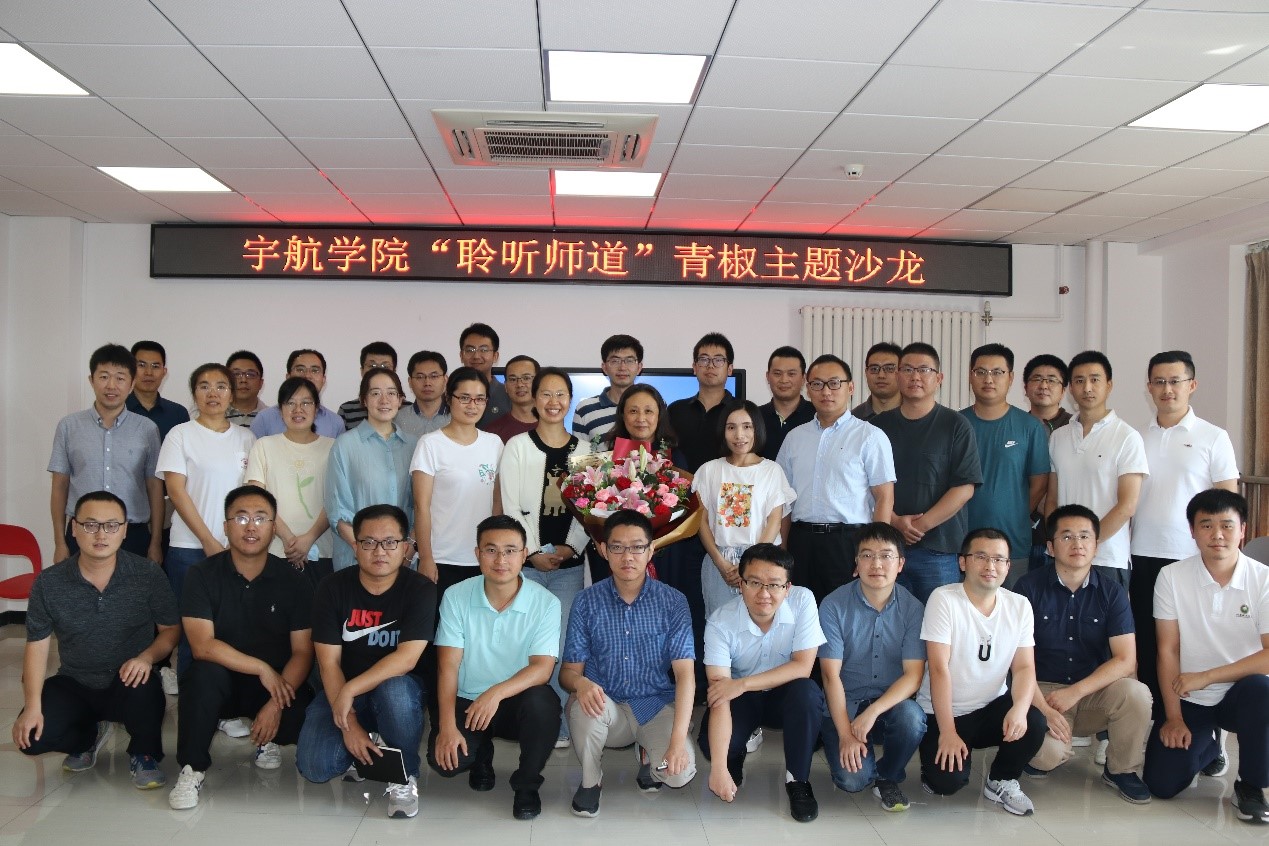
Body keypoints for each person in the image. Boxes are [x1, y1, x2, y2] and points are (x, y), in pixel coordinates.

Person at [13, 491, 179, 791]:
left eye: (112, 525)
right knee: (31, 738)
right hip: (75, 681)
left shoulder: (147, 575)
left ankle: (143, 753)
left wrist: (147, 658)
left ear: (124, 530)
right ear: (74, 528)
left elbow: (170, 630)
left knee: (145, 686)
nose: (101, 534)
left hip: (129, 681)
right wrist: (32, 706)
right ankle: (88, 738)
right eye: (90, 525)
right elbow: (36, 647)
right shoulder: (49, 583)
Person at [168, 485, 315, 811]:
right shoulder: (202, 574)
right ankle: (192, 768)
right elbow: (202, 646)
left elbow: (303, 652)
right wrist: (261, 668)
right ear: (226, 526)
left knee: (303, 713)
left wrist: (275, 704)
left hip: (274, 685)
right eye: (241, 517)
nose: (251, 527)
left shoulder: (293, 581)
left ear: (273, 528)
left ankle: (268, 739)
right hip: (222, 681)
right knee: (201, 677)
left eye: (261, 518)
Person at [297, 504, 435, 820]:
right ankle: (370, 743)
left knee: (396, 691)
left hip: (397, 690)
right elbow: (328, 663)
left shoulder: (420, 589)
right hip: (342, 688)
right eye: (369, 542)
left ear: (405, 547)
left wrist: (350, 690)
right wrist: (350, 723)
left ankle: (404, 775)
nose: (379, 551)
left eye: (390, 542)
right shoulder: (331, 588)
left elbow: (407, 659)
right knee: (315, 767)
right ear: (355, 546)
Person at [1144, 489, 1269, 824]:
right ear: (1192, 531)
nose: (1217, 535)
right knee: (1162, 784)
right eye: (1207, 525)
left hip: (1242, 694)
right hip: (1190, 697)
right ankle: (1210, 746)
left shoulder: (1263, 579)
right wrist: (1173, 717)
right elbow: (1167, 649)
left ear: (1243, 530)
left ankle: (1251, 785)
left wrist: (1208, 676)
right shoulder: (1171, 577)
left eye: (1227, 525)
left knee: (1263, 689)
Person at [560, 510, 697, 818]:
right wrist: (581, 683)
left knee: (678, 774)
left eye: (637, 547)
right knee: (584, 703)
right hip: (606, 708)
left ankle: (649, 754)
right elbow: (568, 673)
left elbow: (685, 676)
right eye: (617, 547)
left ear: (651, 550)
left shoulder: (673, 602)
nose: (627, 556)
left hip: (655, 706)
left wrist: (677, 742)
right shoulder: (586, 601)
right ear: (603, 550)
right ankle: (591, 781)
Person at [1014, 505, 1152, 804]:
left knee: (1136, 693)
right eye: (1066, 536)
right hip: (1040, 691)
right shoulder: (1027, 588)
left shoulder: (1112, 592)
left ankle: (1122, 770)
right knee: (1046, 757)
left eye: (1085, 536)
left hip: (1090, 693)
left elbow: (1126, 659)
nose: (1077, 544)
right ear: (1051, 547)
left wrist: (1075, 692)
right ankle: (1039, 748)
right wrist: (1045, 709)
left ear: (1096, 546)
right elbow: (1016, 661)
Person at [428, 515, 562, 821]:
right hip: (467, 700)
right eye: (491, 550)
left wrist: (495, 694)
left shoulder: (546, 603)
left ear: (524, 554)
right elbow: (447, 667)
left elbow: (542, 669)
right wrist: (447, 727)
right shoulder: (455, 596)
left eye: (510, 550)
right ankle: (480, 756)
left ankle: (526, 785)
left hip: (516, 702)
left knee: (543, 703)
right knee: (445, 763)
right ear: (477, 554)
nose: (501, 560)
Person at [1131, 351, 1238, 730]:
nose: (1167, 389)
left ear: (1192, 385)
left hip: (1193, 559)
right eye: (1159, 382)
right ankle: (1155, 724)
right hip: (1142, 555)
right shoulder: (1136, 437)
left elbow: (1229, 502)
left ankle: (1210, 732)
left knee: (1196, 646)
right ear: (1149, 387)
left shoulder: (1214, 437)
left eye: (1175, 381)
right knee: (1149, 645)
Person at [918, 529, 1047, 816]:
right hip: (945, 712)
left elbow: (1024, 667)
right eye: (981, 557)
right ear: (963, 562)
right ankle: (935, 766)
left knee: (1034, 720)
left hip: (991, 707)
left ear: (1008, 566)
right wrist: (948, 731)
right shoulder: (944, 599)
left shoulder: (1019, 605)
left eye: (999, 559)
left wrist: (1020, 709)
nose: (991, 566)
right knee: (946, 784)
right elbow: (938, 669)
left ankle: (1001, 779)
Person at [700, 543, 826, 822]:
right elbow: (720, 694)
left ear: (787, 588)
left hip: (785, 694)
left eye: (774, 585)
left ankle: (798, 781)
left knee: (807, 693)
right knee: (712, 746)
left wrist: (743, 683)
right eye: (754, 582)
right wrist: (718, 767)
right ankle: (735, 755)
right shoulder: (720, 622)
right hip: (741, 699)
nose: (764, 593)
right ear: (740, 583)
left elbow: (803, 667)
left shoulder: (803, 600)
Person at [499, 367, 591, 747]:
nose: (554, 402)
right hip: (528, 566)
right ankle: (526, 720)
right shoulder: (517, 446)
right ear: (534, 399)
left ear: (570, 400)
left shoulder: (586, 450)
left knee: (563, 643)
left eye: (561, 394)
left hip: (570, 568)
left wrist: (571, 547)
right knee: (528, 642)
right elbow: (512, 506)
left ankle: (561, 726)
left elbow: (591, 509)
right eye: (546, 394)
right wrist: (534, 551)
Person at [818, 522, 926, 813]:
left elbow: (914, 676)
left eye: (886, 556)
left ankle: (889, 775)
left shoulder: (914, 609)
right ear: (856, 563)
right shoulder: (833, 605)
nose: (876, 564)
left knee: (912, 717)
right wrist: (845, 734)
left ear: (900, 564)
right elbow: (830, 676)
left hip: (889, 705)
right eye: (867, 555)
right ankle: (847, 749)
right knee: (853, 781)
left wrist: (874, 711)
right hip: (845, 705)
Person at [157, 362, 256, 671]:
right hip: (190, 549)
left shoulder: (247, 438)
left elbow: (252, 496)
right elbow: (176, 492)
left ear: (231, 395)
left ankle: (227, 697)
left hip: (237, 550)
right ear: (194, 393)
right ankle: (192, 695)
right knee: (193, 633)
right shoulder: (180, 435)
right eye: (204, 386)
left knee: (233, 628)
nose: (213, 393)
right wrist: (208, 541)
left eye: (221, 386)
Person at [777, 354, 896, 603]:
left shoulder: (870, 436)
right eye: (817, 384)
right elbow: (783, 502)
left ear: (850, 387)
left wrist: (874, 552)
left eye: (834, 383)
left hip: (848, 542)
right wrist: (782, 549)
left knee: (847, 612)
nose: (826, 391)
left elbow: (884, 497)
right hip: (801, 542)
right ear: (808, 389)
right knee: (800, 612)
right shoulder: (794, 438)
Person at [873, 343, 982, 604]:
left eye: (924, 370)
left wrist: (919, 526)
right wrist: (895, 521)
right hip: (888, 547)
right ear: (897, 375)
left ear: (939, 378)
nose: (915, 376)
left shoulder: (956, 425)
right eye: (907, 369)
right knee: (888, 619)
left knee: (939, 621)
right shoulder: (877, 427)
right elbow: (865, 485)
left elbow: (964, 487)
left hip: (939, 550)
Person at [50, 343, 164, 565]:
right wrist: (60, 543)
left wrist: (155, 542)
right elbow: (59, 486)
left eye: (120, 378)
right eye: (103, 377)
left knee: (133, 589)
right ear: (91, 380)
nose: (111, 385)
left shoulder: (147, 429)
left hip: (133, 533)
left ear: (131, 384)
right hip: (82, 532)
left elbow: (154, 487)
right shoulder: (68, 426)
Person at [1045, 350, 1148, 590]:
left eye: (1095, 379)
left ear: (1109, 385)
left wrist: (1087, 543)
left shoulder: (1127, 436)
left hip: (1107, 558)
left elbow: (1127, 505)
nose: (1087, 388)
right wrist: (1061, 542)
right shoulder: (1058, 437)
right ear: (1070, 388)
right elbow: (1052, 499)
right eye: (1079, 381)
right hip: (1063, 559)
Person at [693, 399, 796, 616]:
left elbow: (774, 522)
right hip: (720, 562)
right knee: (720, 625)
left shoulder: (771, 470)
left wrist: (750, 564)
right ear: (723, 432)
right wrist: (721, 563)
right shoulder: (708, 470)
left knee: (761, 624)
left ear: (757, 429)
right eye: (731, 427)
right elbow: (701, 521)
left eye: (747, 426)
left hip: (761, 561)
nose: (739, 435)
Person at [960, 343, 1049, 586]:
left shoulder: (1030, 427)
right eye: (980, 372)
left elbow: (1040, 483)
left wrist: (1014, 512)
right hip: (963, 542)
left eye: (997, 372)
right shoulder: (956, 424)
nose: (988, 379)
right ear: (970, 376)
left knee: (1011, 605)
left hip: (1012, 543)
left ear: (1010, 378)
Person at [412, 366, 504, 592]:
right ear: (449, 398)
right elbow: (421, 507)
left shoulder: (494, 444)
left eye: (479, 399)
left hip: (483, 557)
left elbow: (497, 503)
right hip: (442, 558)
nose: (472, 405)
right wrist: (426, 557)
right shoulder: (430, 444)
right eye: (464, 398)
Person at [326, 368, 418, 572]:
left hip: (403, 560)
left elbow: (419, 507)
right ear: (364, 400)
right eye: (375, 393)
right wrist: (368, 551)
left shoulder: (414, 446)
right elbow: (337, 512)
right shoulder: (345, 445)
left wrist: (407, 552)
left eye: (391, 393)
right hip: (356, 561)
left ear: (400, 400)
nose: (384, 400)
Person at [246, 376, 335, 583]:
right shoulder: (264, 446)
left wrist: (309, 538)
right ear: (280, 410)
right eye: (290, 403)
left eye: (306, 403)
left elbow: (335, 499)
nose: (298, 409)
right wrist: (288, 538)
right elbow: (257, 499)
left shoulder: (333, 447)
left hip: (322, 551)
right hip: (275, 550)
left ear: (317, 408)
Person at [1022, 354, 1072, 573]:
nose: (1043, 385)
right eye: (1037, 379)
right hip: (1023, 535)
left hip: (1063, 538)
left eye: (1052, 380)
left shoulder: (1076, 428)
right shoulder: (1016, 425)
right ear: (1025, 387)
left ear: (1064, 390)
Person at [668, 332, 736, 473]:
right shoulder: (675, 410)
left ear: (729, 369)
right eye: (704, 359)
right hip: (681, 486)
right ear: (694, 367)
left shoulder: (741, 411)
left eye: (718, 360)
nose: (710, 366)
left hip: (726, 486)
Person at [250, 349, 344, 439]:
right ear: (288, 377)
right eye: (300, 370)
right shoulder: (264, 419)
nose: (307, 375)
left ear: (323, 379)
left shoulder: (335, 422)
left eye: (315, 370)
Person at [572, 334, 644, 448]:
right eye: (615, 361)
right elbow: (580, 456)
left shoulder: (652, 407)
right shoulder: (585, 409)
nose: (622, 367)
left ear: (639, 367)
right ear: (604, 367)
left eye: (630, 361)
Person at [757, 345, 814, 461]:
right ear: (767, 377)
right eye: (777, 373)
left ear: (803, 378)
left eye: (791, 374)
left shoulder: (816, 416)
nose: (784, 380)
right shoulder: (754, 417)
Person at [127, 340, 190, 440]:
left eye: (155, 366)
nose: (149, 372)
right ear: (130, 369)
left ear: (164, 372)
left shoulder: (178, 413)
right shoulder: (118, 410)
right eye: (142, 365)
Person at [337, 341, 398, 431]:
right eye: (372, 365)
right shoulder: (346, 410)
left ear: (394, 372)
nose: (378, 371)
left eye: (385, 366)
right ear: (362, 371)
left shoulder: (406, 409)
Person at [458, 322, 511, 425]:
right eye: (470, 350)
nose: (476, 356)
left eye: (484, 350)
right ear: (461, 355)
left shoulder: (508, 395)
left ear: (495, 356)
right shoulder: (451, 395)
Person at [484, 355, 539, 443]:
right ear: (505, 386)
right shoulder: (492, 433)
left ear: (539, 382)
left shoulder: (553, 427)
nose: (519, 384)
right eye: (513, 379)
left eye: (526, 378)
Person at [397, 350, 451, 438]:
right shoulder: (398, 419)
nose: (427, 383)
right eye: (420, 377)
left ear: (445, 380)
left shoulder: (456, 417)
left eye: (434, 376)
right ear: (410, 382)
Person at [852, 342, 902, 420]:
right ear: (866, 373)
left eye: (889, 368)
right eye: (874, 369)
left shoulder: (917, 415)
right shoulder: (853, 420)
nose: (881, 375)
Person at [224, 350, 267, 428]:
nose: (243, 380)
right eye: (236, 374)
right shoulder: (214, 415)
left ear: (261, 383)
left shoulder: (272, 417)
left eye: (250, 374)